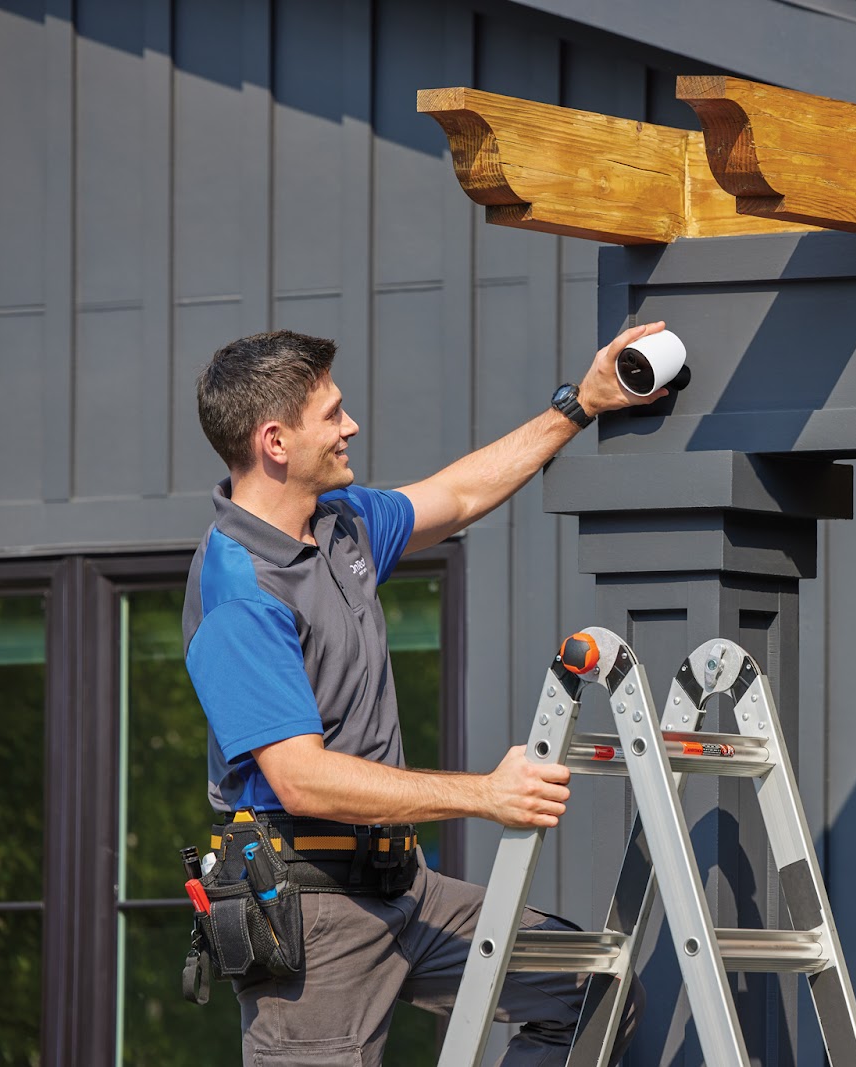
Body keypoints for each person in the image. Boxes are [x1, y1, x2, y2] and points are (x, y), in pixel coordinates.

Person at [180, 322, 667, 1065]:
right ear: (275, 442)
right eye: (332, 414)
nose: (350, 426)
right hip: (313, 911)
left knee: (588, 986)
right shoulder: (242, 590)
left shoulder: (339, 528)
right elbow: (299, 777)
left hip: (405, 886)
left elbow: (461, 492)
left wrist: (583, 404)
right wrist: (485, 794)